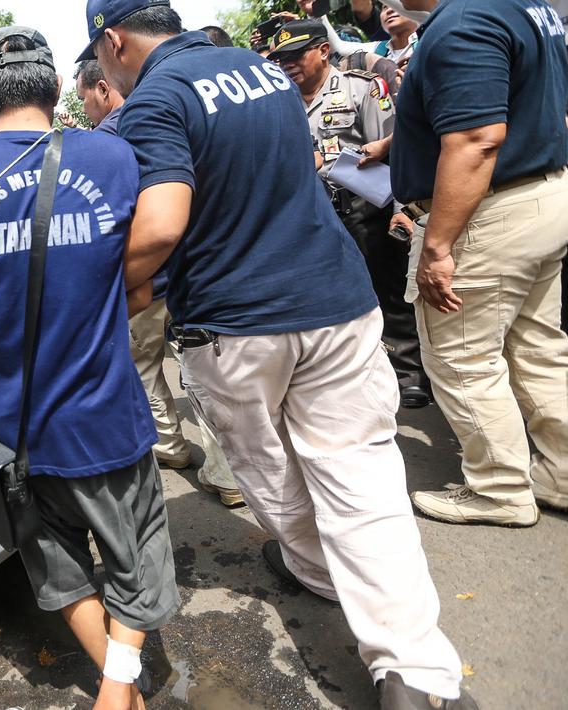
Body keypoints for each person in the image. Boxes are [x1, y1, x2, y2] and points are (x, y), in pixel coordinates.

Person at [84, 3, 475, 708]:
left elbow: (162, 225)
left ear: (112, 41)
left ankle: (321, 571)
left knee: (269, 473)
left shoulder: (155, 103)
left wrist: (83, 302)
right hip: (333, 300)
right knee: (361, 476)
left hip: (236, 327)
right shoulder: (257, 72)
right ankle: (414, 673)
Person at [0, 27, 180, 710]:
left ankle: (121, 690)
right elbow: (144, 281)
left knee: (59, 572)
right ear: (58, 88)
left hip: (8, 434)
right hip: (105, 418)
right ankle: (121, 688)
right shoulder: (115, 158)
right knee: (136, 564)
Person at [392, 0, 568, 526]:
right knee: (536, 349)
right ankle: (559, 473)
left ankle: (500, 489)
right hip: (539, 193)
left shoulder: (465, 19)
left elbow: (476, 139)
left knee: (462, 356)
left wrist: (438, 246)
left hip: (488, 212)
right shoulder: (522, 6)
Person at [75, 58, 243, 507]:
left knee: (145, 367)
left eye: (85, 99)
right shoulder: (164, 114)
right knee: (202, 372)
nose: (86, 109)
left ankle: (169, 446)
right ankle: (228, 471)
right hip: (187, 273)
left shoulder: (107, 139)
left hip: (145, 277)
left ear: (104, 89)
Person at [272, 20, 431, 408]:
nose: (287, 64)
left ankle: (408, 372)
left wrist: (402, 211)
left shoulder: (359, 88)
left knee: (386, 289)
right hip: (313, 212)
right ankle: (351, 375)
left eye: (296, 54)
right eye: (281, 59)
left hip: (364, 207)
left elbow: (395, 153)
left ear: (324, 50)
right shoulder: (280, 101)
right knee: (330, 295)